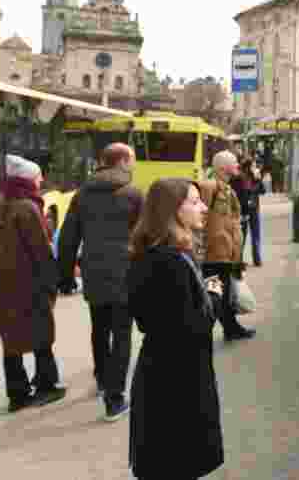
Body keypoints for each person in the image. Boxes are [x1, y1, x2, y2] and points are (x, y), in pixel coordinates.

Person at [127, 178, 223, 480]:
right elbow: (192, 327)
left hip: (163, 374)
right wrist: (215, 297)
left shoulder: (155, 253)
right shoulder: (170, 260)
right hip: (177, 383)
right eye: (194, 202)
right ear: (172, 210)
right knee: (176, 464)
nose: (203, 208)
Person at [57, 143, 144, 422]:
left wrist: (66, 277)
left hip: (93, 272)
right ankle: (115, 399)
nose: (133, 164)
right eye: (131, 159)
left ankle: (103, 379)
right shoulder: (133, 194)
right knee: (121, 333)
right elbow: (144, 235)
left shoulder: (82, 194)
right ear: (121, 161)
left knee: (99, 327)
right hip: (125, 272)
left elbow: (69, 237)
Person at [0, 155, 67, 413]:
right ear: (26, 180)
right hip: (30, 279)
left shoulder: (1, 206)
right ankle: (47, 385)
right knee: (40, 332)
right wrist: (52, 282)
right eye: (37, 177)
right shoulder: (28, 208)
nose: (41, 180)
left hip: (6, 279)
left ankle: (17, 393)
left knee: (11, 338)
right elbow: (40, 250)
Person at [199, 150, 256, 341]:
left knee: (223, 295)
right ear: (223, 167)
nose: (238, 166)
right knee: (214, 294)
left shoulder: (226, 188)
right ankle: (206, 331)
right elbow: (200, 218)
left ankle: (231, 328)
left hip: (225, 254)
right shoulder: (209, 187)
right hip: (213, 255)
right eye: (234, 163)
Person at [232, 159, 265, 266]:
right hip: (243, 210)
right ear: (248, 167)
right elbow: (245, 191)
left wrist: (259, 179)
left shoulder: (254, 177)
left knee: (256, 234)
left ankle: (257, 259)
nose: (255, 168)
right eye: (253, 166)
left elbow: (263, 191)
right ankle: (239, 259)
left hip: (254, 209)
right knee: (242, 235)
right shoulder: (239, 177)